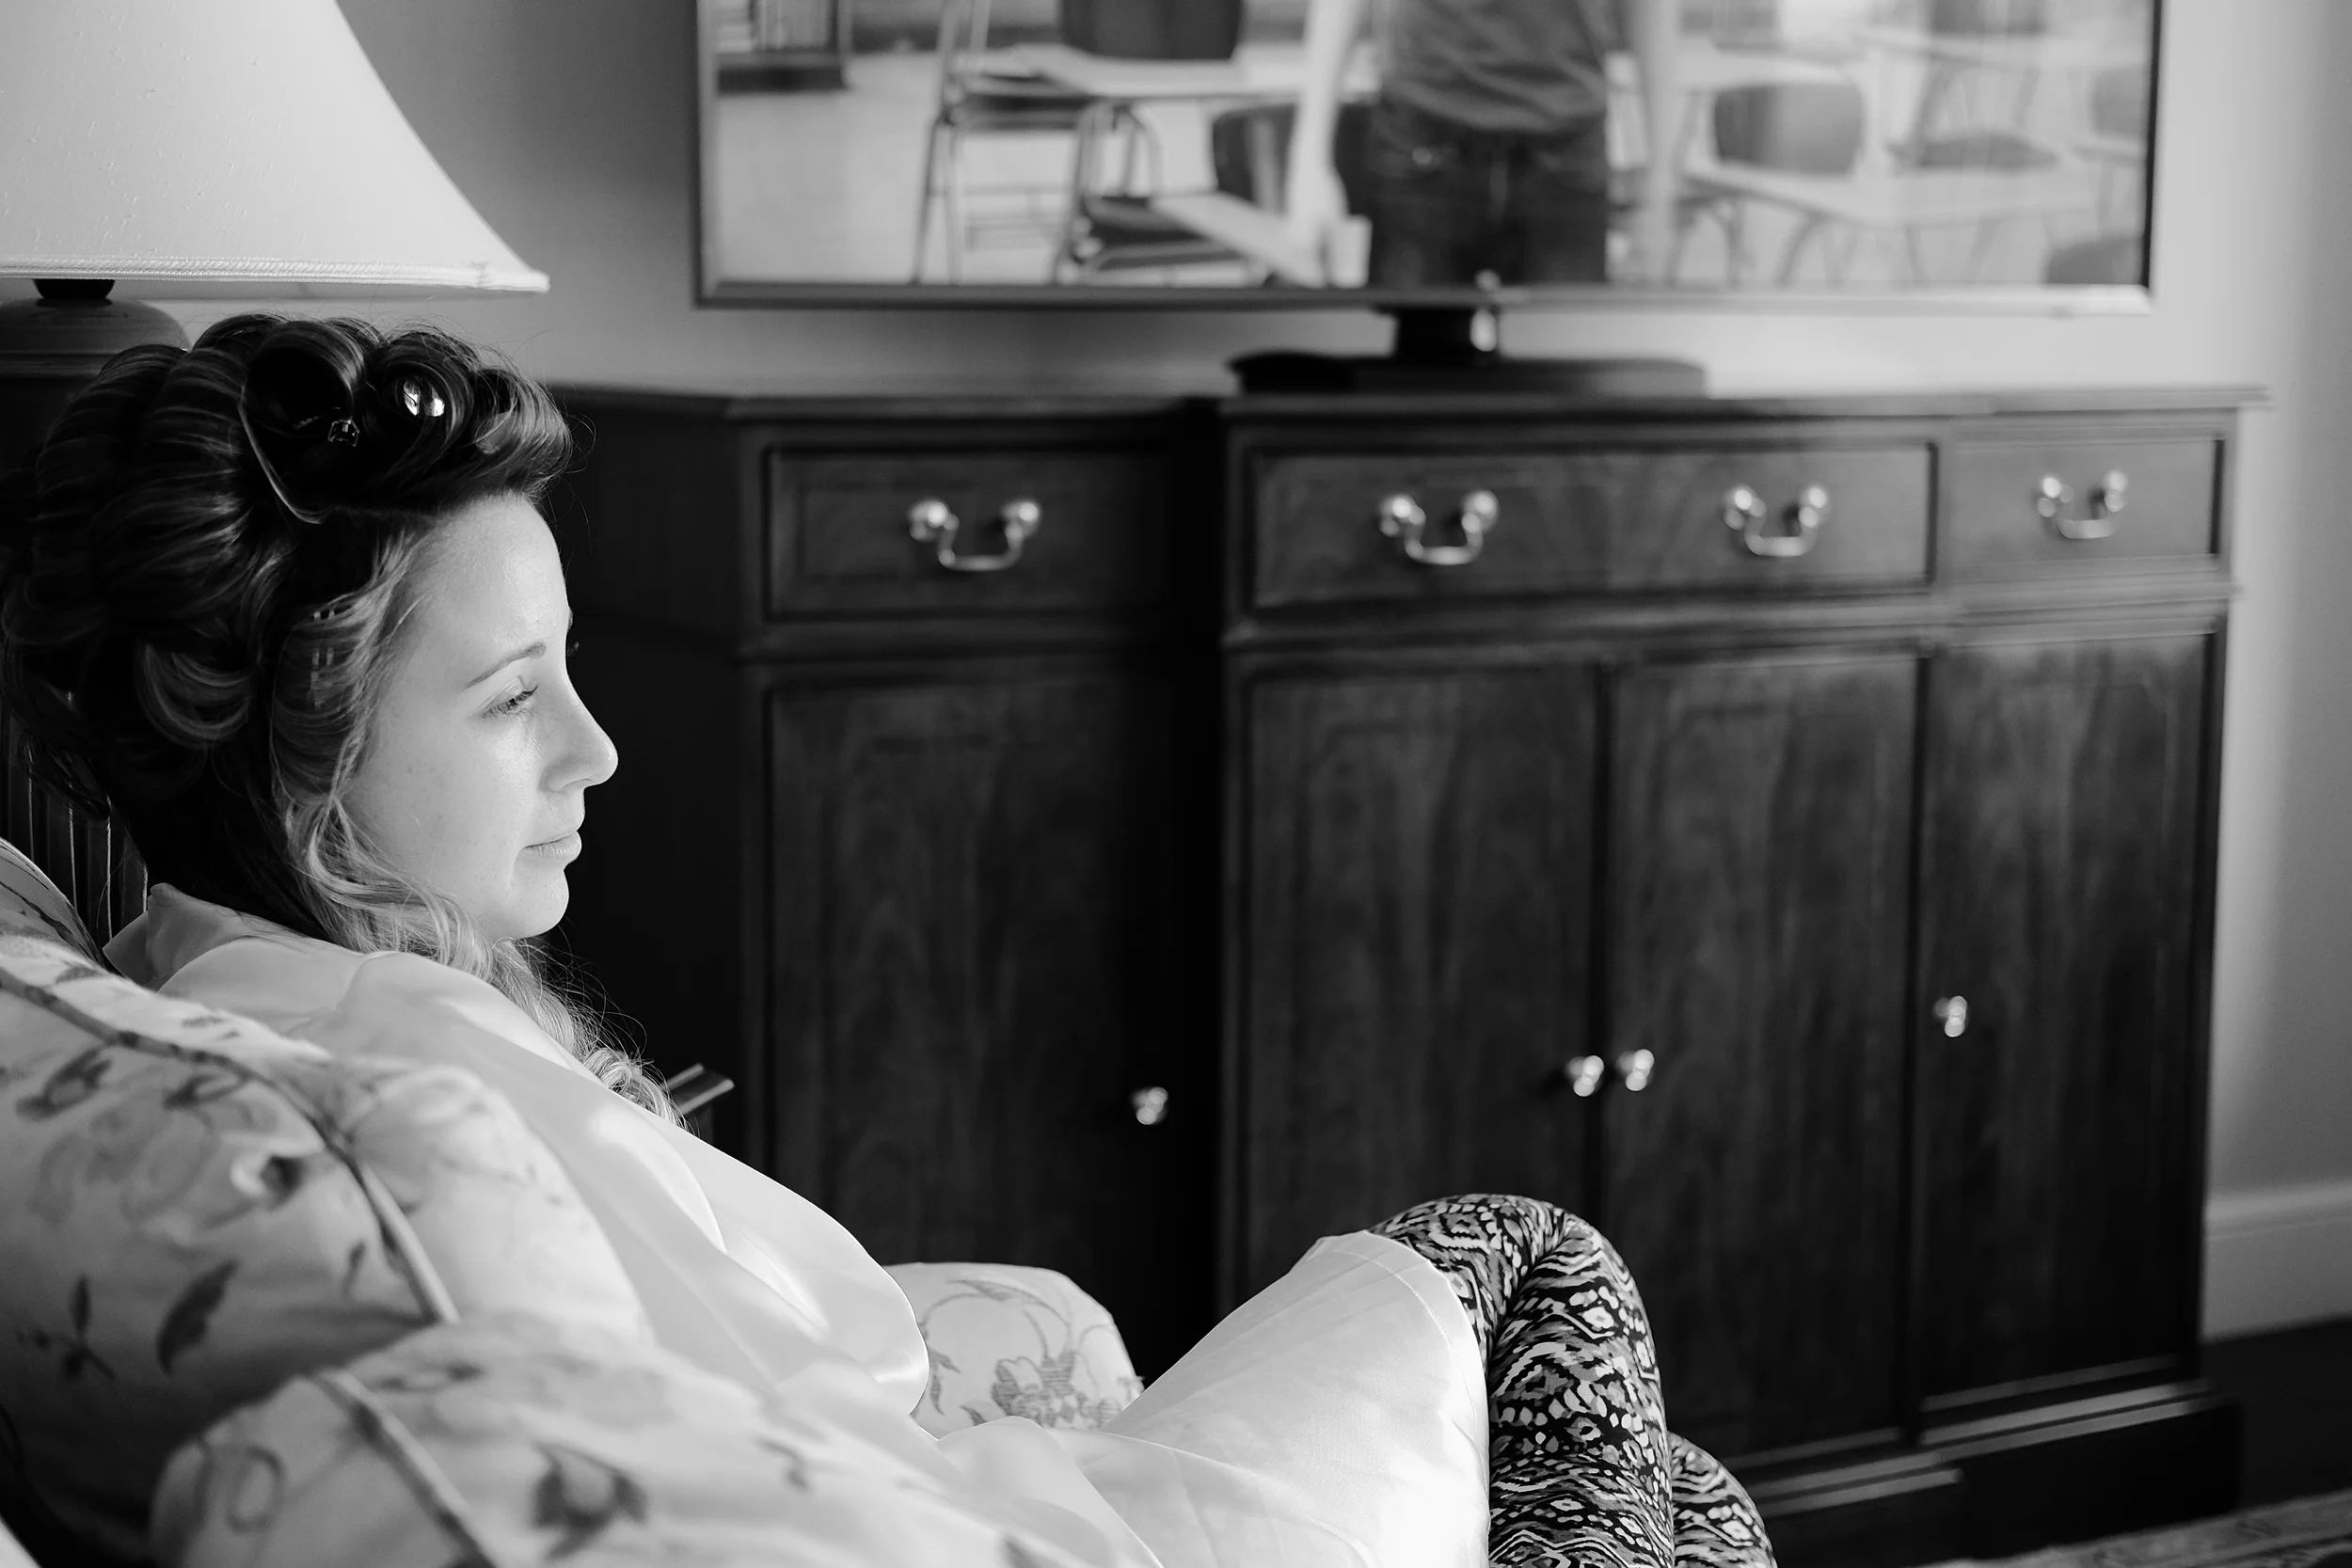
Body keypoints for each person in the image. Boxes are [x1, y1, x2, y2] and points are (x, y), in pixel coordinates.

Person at [0, 316, 1770, 1568]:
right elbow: (816, 1425)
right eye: (514, 696)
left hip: (968, 1482)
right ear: (296, 748)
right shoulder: (416, 1098)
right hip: (990, 1521)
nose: (597, 751)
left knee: (1665, 1490)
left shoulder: (218, 979)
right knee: (1534, 1260)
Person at [1285, 0, 1683, 288]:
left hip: (1565, 150)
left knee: (1564, 371)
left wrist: (1662, 186)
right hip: (1421, 142)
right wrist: (1308, 159)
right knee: (1413, 375)